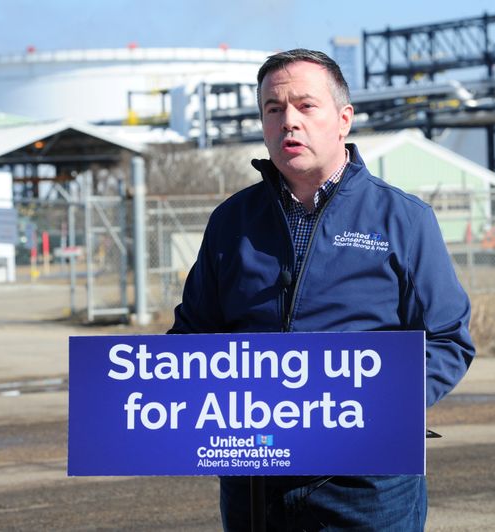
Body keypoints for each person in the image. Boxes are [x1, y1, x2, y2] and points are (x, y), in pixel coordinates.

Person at [169, 48, 475, 531]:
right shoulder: (231, 222)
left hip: (368, 483)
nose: (289, 121)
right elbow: (191, 336)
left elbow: (447, 339)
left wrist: (376, 404)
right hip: (255, 480)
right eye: (274, 109)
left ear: (343, 120)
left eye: (306, 106)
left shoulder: (404, 220)